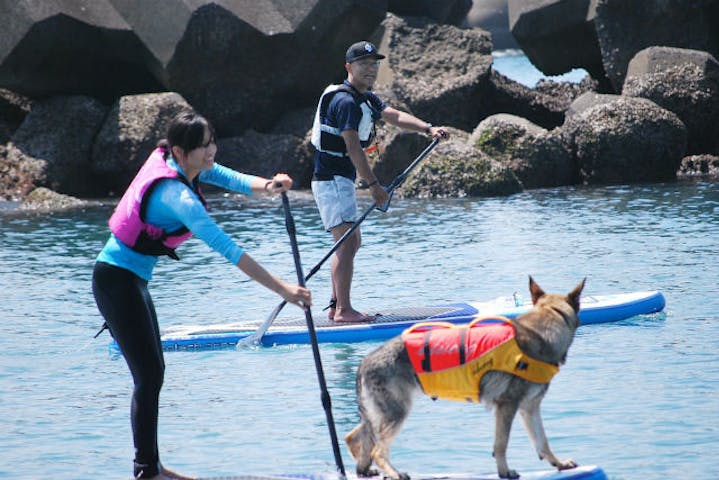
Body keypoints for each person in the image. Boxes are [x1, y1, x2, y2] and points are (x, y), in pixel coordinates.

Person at [92, 110, 311, 480]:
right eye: (203, 146)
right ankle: (147, 470)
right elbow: (229, 250)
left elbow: (226, 175)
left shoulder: (184, 165)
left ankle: (150, 467)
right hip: (116, 281)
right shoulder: (177, 196)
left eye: (212, 142)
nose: (211, 151)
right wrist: (284, 290)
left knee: (153, 372)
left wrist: (267, 186)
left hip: (131, 280)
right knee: (149, 375)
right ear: (179, 151)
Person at [310, 40, 450, 323]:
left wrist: (428, 128)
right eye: (363, 64)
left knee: (351, 242)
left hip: (340, 180)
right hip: (331, 180)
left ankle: (337, 305)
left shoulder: (365, 97)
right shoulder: (346, 102)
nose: (370, 69)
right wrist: (374, 186)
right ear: (349, 67)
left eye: (374, 64)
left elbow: (394, 115)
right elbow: (353, 148)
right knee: (346, 244)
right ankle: (343, 311)